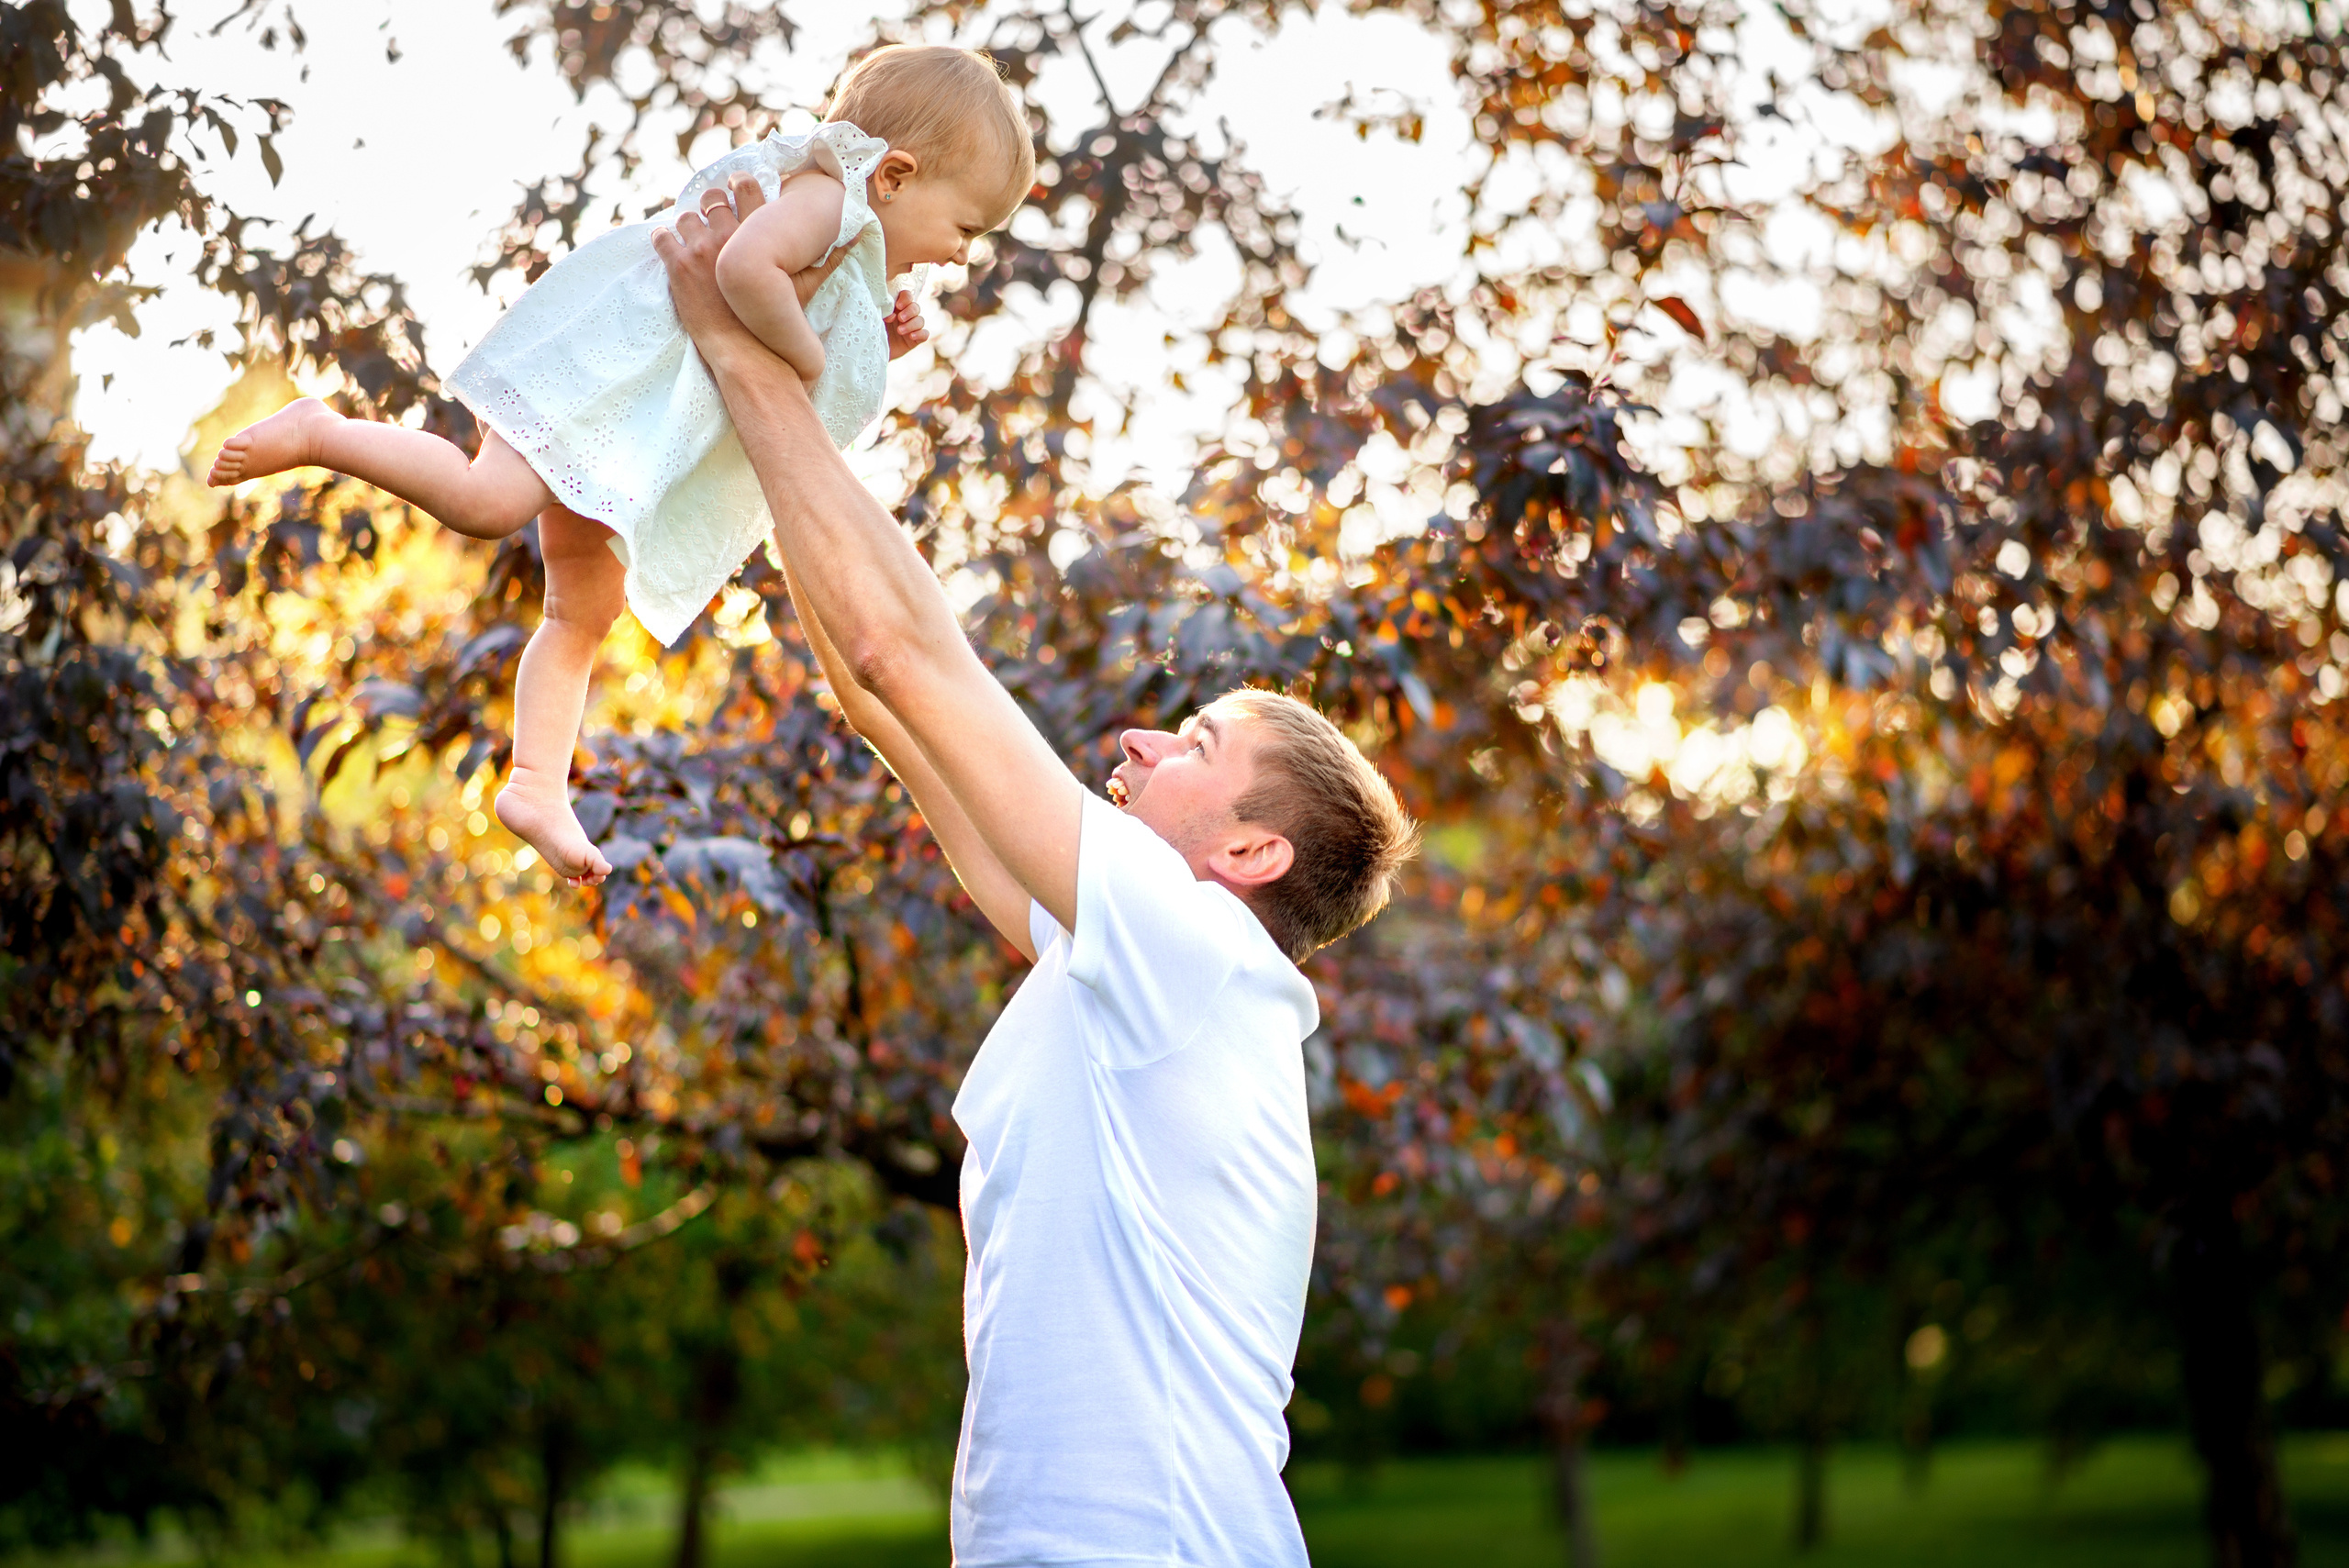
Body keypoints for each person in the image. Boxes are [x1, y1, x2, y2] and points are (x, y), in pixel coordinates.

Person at [651, 174, 1419, 1565]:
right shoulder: (1120, 968)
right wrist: (773, 413)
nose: (1136, 740)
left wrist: (734, 347)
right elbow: (879, 699)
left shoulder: (1197, 955)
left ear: (1251, 851)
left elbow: (905, 654)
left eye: (1193, 741)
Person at [205, 46, 1035, 886]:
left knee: (580, 612)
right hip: (614, 375)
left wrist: (868, 340)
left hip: (641, 423)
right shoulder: (825, 196)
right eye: (966, 229)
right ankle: (321, 431)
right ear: (894, 175)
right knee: (487, 499)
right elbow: (745, 270)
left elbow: (793, 326)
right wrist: (813, 355)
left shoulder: (847, 229)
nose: (960, 255)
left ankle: (536, 782)